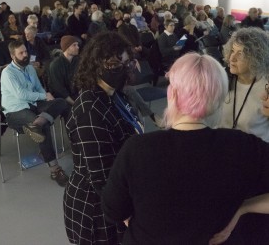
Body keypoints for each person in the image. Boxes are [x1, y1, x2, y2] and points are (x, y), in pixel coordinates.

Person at [101, 52, 269, 245]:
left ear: (171, 94)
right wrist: (243, 207)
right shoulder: (243, 145)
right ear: (219, 97)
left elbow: (112, 211)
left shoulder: (137, 148)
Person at [63, 31, 142, 245]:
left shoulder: (113, 94)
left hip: (117, 192)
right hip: (96, 208)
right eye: (115, 65)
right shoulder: (90, 110)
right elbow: (100, 177)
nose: (122, 70)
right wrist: (126, 215)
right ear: (96, 65)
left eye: (125, 64)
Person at [0, 40, 69, 186]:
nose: (25, 55)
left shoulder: (30, 69)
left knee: (62, 102)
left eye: (26, 51)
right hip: (15, 110)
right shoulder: (7, 73)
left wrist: (46, 95)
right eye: (21, 53)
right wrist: (44, 96)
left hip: (34, 105)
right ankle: (55, 170)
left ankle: (37, 123)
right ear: (13, 56)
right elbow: (21, 95)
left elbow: (38, 87)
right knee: (42, 127)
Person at [220, 27, 269, 142]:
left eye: (240, 53)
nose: (232, 58)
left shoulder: (266, 89)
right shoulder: (222, 79)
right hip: (223, 150)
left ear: (256, 58)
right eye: (232, 50)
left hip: (255, 154)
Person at [48, 35, 79, 106]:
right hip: (62, 98)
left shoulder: (78, 60)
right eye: (74, 45)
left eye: (77, 45)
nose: (78, 47)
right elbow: (59, 89)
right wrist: (74, 104)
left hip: (76, 94)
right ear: (67, 48)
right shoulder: (55, 65)